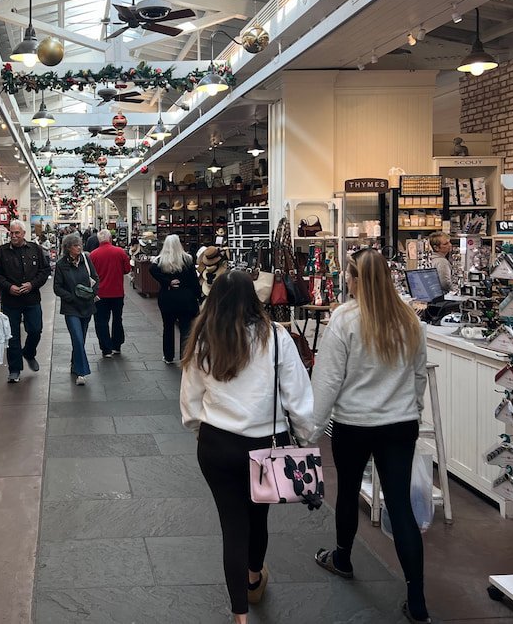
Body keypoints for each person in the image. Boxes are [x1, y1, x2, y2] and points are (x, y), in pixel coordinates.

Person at [180, 271, 314, 624]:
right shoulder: (276, 337)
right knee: (258, 516)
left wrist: (198, 428)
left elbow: (191, 398)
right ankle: (254, 575)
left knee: (232, 525)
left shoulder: (204, 338)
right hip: (265, 443)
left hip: (217, 443)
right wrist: (305, 433)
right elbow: (297, 394)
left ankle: (239, 615)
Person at [310, 248, 430, 624]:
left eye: (349, 275)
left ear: (357, 278)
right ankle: (417, 599)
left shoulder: (344, 320)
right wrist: (414, 409)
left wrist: (309, 430)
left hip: (354, 424)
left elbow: (328, 381)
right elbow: (418, 374)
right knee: (400, 507)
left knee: (347, 491)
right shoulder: (410, 319)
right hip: (399, 424)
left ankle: (343, 557)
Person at [0, 220, 51, 383]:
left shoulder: (35, 249)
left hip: (31, 298)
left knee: (36, 330)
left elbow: (45, 271)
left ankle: (29, 353)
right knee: (12, 336)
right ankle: (14, 369)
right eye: (12, 233)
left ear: (24, 234)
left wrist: (32, 284)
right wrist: (8, 287)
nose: (14, 236)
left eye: (17, 233)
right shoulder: (1, 252)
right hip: (11, 301)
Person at [53, 233, 99, 386]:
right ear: (68, 248)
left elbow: (95, 277)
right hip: (71, 308)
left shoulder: (86, 259)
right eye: (75, 245)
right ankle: (81, 372)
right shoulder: (61, 265)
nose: (79, 247)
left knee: (81, 339)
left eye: (79, 244)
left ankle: (74, 363)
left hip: (86, 306)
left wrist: (92, 293)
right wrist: (71, 297)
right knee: (77, 339)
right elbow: (57, 287)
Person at [149, 234, 201, 364]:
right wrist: (198, 296)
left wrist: (167, 282)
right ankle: (184, 356)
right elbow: (194, 281)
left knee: (168, 327)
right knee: (185, 328)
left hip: (167, 298)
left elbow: (152, 270)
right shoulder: (187, 259)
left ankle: (168, 356)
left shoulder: (160, 261)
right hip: (186, 298)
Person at [90, 229, 131, 357]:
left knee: (101, 321)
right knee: (117, 319)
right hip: (117, 292)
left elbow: (90, 275)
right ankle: (117, 345)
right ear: (110, 239)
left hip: (100, 294)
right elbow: (127, 269)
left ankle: (106, 349)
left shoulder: (93, 255)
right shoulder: (120, 252)